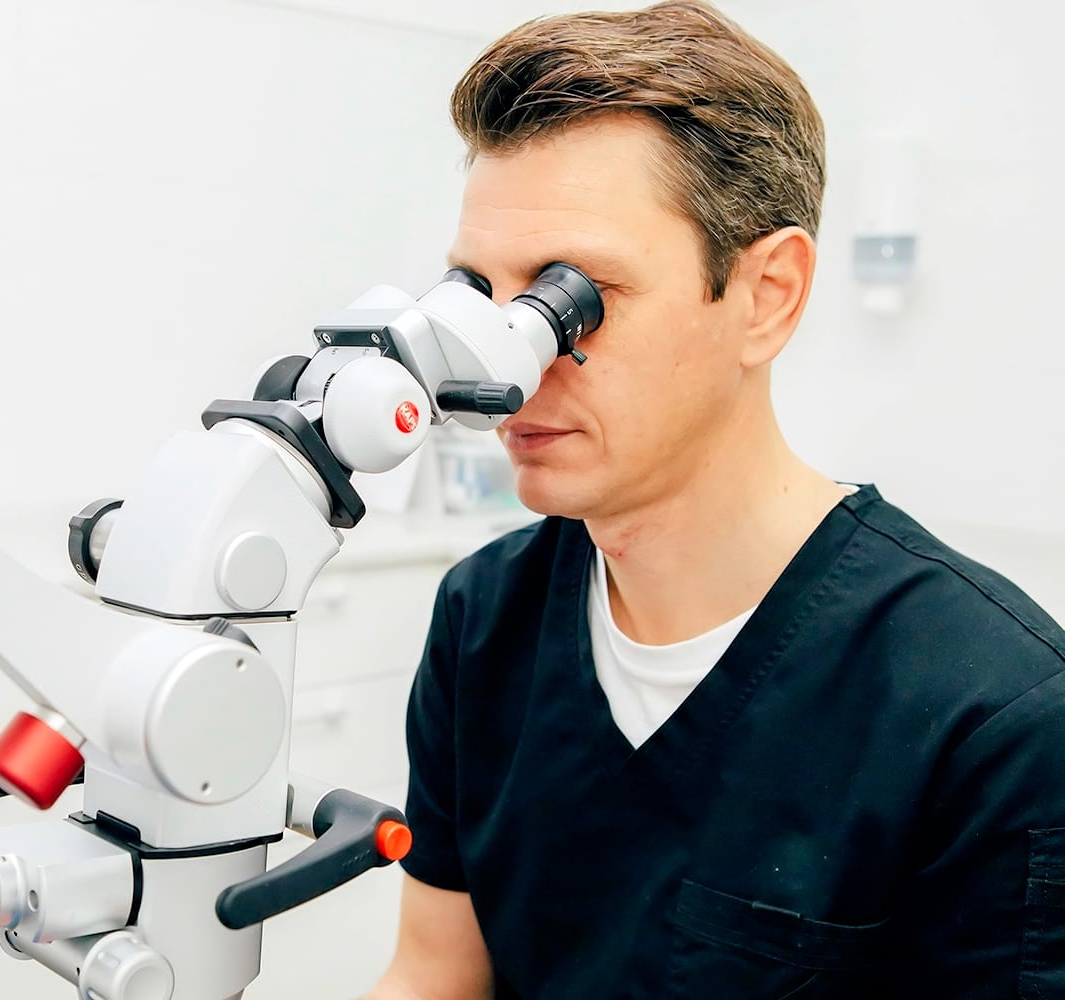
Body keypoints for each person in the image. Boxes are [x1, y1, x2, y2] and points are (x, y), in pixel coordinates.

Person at [368, 2, 1065, 997]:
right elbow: (432, 973)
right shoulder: (485, 617)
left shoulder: (992, 715)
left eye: (569, 299)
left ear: (767, 295)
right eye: (480, 295)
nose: (504, 370)